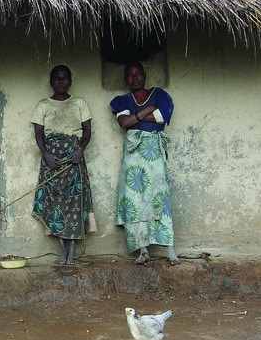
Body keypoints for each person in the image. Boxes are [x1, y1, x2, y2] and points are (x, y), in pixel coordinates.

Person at [110, 61, 180, 265]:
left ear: (144, 75)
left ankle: (170, 249)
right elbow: (124, 123)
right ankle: (142, 250)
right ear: (126, 79)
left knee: (160, 198)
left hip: (155, 154)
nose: (134, 78)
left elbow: (161, 118)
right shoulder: (122, 100)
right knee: (134, 200)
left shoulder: (160, 95)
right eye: (130, 75)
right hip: (133, 157)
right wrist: (147, 111)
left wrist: (136, 117)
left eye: (138, 73)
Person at [31, 64, 93, 265]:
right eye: (57, 78)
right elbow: (39, 134)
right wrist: (46, 154)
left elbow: (87, 132)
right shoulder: (43, 105)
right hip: (52, 161)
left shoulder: (80, 103)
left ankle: (73, 249)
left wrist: (79, 150)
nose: (60, 81)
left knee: (75, 202)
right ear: (51, 82)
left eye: (64, 78)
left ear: (70, 81)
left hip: (73, 160)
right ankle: (62, 249)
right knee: (54, 202)